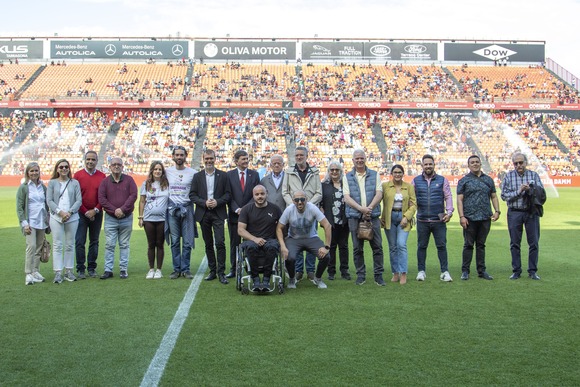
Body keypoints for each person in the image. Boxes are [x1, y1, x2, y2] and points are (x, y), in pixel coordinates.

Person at [343, 149, 385, 286]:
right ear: (353, 160)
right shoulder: (347, 177)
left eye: (362, 158)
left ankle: (378, 276)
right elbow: (347, 197)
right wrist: (361, 209)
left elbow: (379, 193)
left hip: (372, 216)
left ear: (365, 159)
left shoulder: (374, 174)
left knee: (377, 246)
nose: (359, 160)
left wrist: (369, 208)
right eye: (357, 158)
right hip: (355, 217)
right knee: (357, 248)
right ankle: (361, 275)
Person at [500, 152, 545, 280]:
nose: (518, 165)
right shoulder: (508, 176)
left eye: (521, 162)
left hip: (531, 212)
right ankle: (516, 271)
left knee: (534, 243)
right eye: (516, 163)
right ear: (513, 164)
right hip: (514, 212)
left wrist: (530, 190)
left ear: (525, 162)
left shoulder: (534, 175)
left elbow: (541, 193)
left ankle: (532, 271)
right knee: (515, 243)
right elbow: (504, 195)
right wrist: (519, 191)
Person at [190, 149, 231, 285]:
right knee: (208, 244)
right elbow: (192, 195)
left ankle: (221, 272)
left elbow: (228, 194)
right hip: (203, 213)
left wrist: (217, 202)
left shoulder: (223, 176)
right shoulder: (197, 176)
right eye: (206, 159)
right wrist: (204, 203)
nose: (209, 161)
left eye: (211, 158)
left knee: (220, 242)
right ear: (203, 159)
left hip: (218, 213)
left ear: (215, 159)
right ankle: (212, 271)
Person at [457, 155, 500, 281]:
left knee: (481, 245)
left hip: (485, 217)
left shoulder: (488, 180)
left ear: (480, 164)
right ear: (469, 165)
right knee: (468, 245)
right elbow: (459, 200)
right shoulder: (464, 181)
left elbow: (493, 196)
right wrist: (462, 216)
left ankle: (482, 271)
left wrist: (497, 211)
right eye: (472, 162)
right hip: (469, 218)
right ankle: (465, 271)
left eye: (477, 162)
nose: (475, 164)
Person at [282, 146, 322, 281]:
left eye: (301, 155)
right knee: (296, 239)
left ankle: (310, 270)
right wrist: (294, 203)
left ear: (306, 156)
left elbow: (319, 193)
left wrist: (307, 205)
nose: (299, 157)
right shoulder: (289, 172)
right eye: (297, 155)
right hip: (294, 213)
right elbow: (285, 192)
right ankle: (298, 270)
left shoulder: (315, 172)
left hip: (310, 213)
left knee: (312, 238)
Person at [276, 191, 332, 289]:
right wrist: (283, 246)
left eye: (302, 199)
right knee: (289, 256)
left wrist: (326, 246)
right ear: (293, 201)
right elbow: (279, 228)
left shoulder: (313, 208)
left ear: (306, 200)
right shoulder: (289, 210)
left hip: (311, 238)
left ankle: (318, 278)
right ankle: (292, 278)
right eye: (297, 200)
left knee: (326, 256)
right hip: (293, 239)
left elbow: (327, 225)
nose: (300, 202)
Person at [412, 154, 454, 282]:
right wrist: (411, 215)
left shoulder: (442, 180)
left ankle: (444, 272)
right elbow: (411, 199)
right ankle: (421, 271)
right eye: (426, 164)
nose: (428, 166)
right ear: (422, 166)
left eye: (430, 164)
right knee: (421, 246)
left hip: (439, 221)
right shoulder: (415, 181)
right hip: (422, 220)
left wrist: (449, 212)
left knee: (441, 246)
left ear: (434, 165)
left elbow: (448, 196)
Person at [98, 157, 138, 279]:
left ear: (122, 166)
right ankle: (108, 270)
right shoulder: (105, 182)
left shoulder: (129, 180)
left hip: (126, 218)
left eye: (119, 164)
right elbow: (102, 199)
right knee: (109, 244)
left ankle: (123, 269)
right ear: (109, 167)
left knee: (124, 244)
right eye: (114, 164)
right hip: (111, 218)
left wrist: (122, 209)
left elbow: (133, 196)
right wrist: (115, 210)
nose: (116, 166)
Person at [238, 185, 282, 291]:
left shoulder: (275, 209)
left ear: (266, 193)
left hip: (269, 239)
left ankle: (266, 279)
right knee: (251, 247)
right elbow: (240, 230)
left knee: (272, 246)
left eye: (262, 194)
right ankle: (256, 279)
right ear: (253, 196)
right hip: (251, 240)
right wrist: (254, 239)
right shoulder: (246, 209)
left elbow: (281, 227)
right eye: (257, 194)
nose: (260, 196)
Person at [46, 159, 82, 284]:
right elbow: (49, 200)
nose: (64, 169)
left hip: (72, 217)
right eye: (61, 167)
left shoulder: (74, 183)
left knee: (70, 244)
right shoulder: (52, 183)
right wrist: (60, 212)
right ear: (57, 169)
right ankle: (57, 272)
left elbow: (79, 200)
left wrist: (69, 212)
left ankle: (69, 271)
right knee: (57, 244)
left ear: (69, 169)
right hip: (56, 216)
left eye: (66, 167)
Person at [380, 164, 416, 285]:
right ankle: (395, 272)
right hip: (389, 219)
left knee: (401, 245)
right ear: (391, 173)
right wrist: (380, 217)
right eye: (395, 172)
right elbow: (377, 199)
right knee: (392, 247)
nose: (397, 174)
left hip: (403, 218)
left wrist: (407, 217)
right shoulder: (385, 186)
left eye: (399, 172)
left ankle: (403, 273)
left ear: (403, 174)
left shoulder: (409, 187)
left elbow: (414, 204)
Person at [226, 149, 260, 278]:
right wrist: (236, 209)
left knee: (250, 243)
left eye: (247, 159)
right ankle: (234, 269)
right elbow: (228, 195)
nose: (246, 161)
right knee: (234, 243)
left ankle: (250, 268)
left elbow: (256, 194)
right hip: (234, 216)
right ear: (236, 161)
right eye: (243, 159)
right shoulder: (228, 175)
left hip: (250, 216)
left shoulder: (254, 175)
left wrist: (245, 209)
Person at [73, 150, 106, 279]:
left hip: (97, 213)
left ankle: (92, 268)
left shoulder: (102, 176)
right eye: (88, 159)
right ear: (84, 160)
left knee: (94, 241)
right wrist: (85, 211)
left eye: (93, 159)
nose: (90, 162)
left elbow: (103, 197)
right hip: (81, 213)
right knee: (80, 241)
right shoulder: (77, 175)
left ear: (97, 161)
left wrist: (96, 210)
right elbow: (75, 197)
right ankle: (81, 268)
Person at [166, 145, 197, 279]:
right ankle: (176, 269)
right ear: (173, 157)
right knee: (175, 241)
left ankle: (186, 269)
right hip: (172, 210)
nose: (179, 157)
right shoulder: (167, 172)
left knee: (187, 241)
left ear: (185, 157)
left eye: (181, 155)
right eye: (177, 155)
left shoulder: (193, 173)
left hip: (187, 209)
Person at [16, 162, 49, 285]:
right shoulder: (24, 187)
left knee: (39, 247)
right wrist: (24, 223)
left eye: (36, 171)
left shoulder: (43, 187)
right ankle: (28, 273)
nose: (34, 173)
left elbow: (46, 203)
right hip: (30, 222)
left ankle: (35, 271)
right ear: (27, 173)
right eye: (32, 171)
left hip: (41, 220)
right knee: (31, 246)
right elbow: (19, 207)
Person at [138, 161, 170, 279]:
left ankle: (159, 270)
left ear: (162, 171)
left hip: (162, 219)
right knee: (151, 244)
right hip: (149, 219)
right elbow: (142, 201)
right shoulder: (146, 184)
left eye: (160, 169)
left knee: (160, 244)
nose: (157, 171)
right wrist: (141, 217)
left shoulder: (166, 184)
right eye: (155, 169)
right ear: (152, 170)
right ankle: (151, 269)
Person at [320, 160, 350, 280]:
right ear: (328, 171)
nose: (334, 172)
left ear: (340, 171)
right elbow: (320, 203)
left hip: (344, 220)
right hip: (330, 221)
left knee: (343, 246)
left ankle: (344, 271)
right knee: (331, 246)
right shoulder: (324, 185)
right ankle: (331, 271)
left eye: (336, 170)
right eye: (332, 170)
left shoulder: (346, 185)